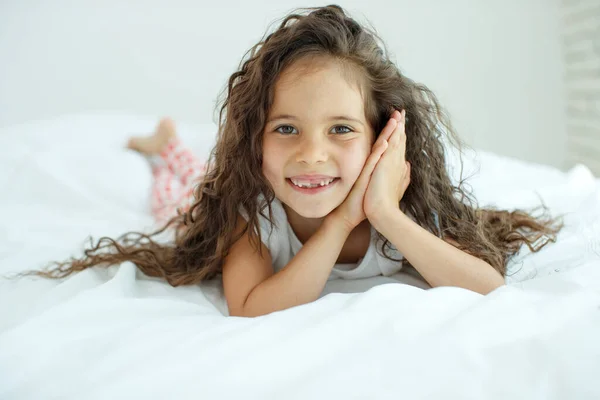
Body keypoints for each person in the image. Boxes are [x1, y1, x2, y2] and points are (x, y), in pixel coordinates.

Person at [22, 5, 562, 317]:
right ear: (254, 141)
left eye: (342, 129)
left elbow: (489, 290)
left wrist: (386, 215)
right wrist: (340, 225)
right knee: (182, 191)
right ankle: (165, 146)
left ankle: (169, 143)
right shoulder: (252, 212)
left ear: (384, 138)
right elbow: (251, 308)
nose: (311, 155)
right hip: (209, 194)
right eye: (286, 128)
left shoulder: (405, 209)